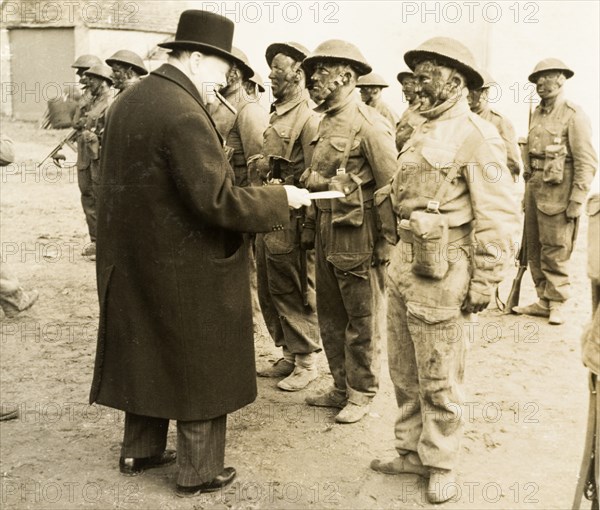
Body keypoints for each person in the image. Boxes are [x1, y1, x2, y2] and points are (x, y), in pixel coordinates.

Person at [89, 9, 310, 497]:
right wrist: (281, 198)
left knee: (145, 349)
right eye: (218, 62)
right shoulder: (185, 113)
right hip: (184, 264)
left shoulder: (134, 99)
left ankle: (139, 450)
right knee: (199, 361)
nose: (226, 74)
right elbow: (218, 201)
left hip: (133, 258)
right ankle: (197, 470)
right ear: (192, 57)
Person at [369, 37, 519, 504]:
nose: (416, 83)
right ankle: (411, 451)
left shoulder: (478, 136)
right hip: (406, 267)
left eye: (427, 73)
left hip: (446, 273)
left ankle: (441, 461)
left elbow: (499, 215)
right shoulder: (419, 128)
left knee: (440, 376)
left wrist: (486, 279)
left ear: (455, 82)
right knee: (405, 371)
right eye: (415, 74)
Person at [301, 40, 397, 424]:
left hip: (359, 234)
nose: (313, 79)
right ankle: (340, 386)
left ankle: (362, 391)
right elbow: (319, 181)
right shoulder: (325, 121)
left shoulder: (370, 124)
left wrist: (387, 245)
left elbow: (392, 186)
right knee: (329, 314)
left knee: (362, 319)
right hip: (327, 227)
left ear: (346, 75)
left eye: (321, 72)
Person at [252, 42, 321, 391]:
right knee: (270, 287)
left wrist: (308, 228)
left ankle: (307, 360)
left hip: (293, 220)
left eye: (277, 70)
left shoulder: (309, 117)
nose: (270, 75)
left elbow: (313, 177)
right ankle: (289, 353)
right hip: (271, 214)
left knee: (294, 288)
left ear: (298, 73)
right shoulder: (278, 113)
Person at [513, 58, 598, 325]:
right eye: (537, 79)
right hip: (535, 187)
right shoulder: (536, 113)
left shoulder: (574, 115)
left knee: (556, 247)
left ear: (561, 79)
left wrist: (576, 199)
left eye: (547, 78)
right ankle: (543, 299)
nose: (540, 84)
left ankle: (557, 301)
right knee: (534, 247)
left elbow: (587, 162)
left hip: (559, 193)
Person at [59, 55, 102, 256]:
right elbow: (75, 122)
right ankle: (95, 240)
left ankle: (106, 242)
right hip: (85, 152)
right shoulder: (85, 96)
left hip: (99, 154)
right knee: (87, 194)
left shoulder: (108, 97)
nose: (80, 77)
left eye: (83, 73)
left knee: (100, 196)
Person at [209, 47, 268, 188]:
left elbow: (258, 173)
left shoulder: (249, 110)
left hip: (238, 201)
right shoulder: (216, 104)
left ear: (234, 74)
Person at [468, 69, 522, 180]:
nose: (469, 94)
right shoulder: (460, 118)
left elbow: (512, 163)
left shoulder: (499, 122)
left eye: (475, 90)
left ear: (485, 93)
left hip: (488, 181)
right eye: (468, 89)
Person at [394, 69, 424, 152]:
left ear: (417, 86)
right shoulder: (408, 111)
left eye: (406, 84)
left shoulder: (424, 111)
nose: (403, 89)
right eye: (403, 85)